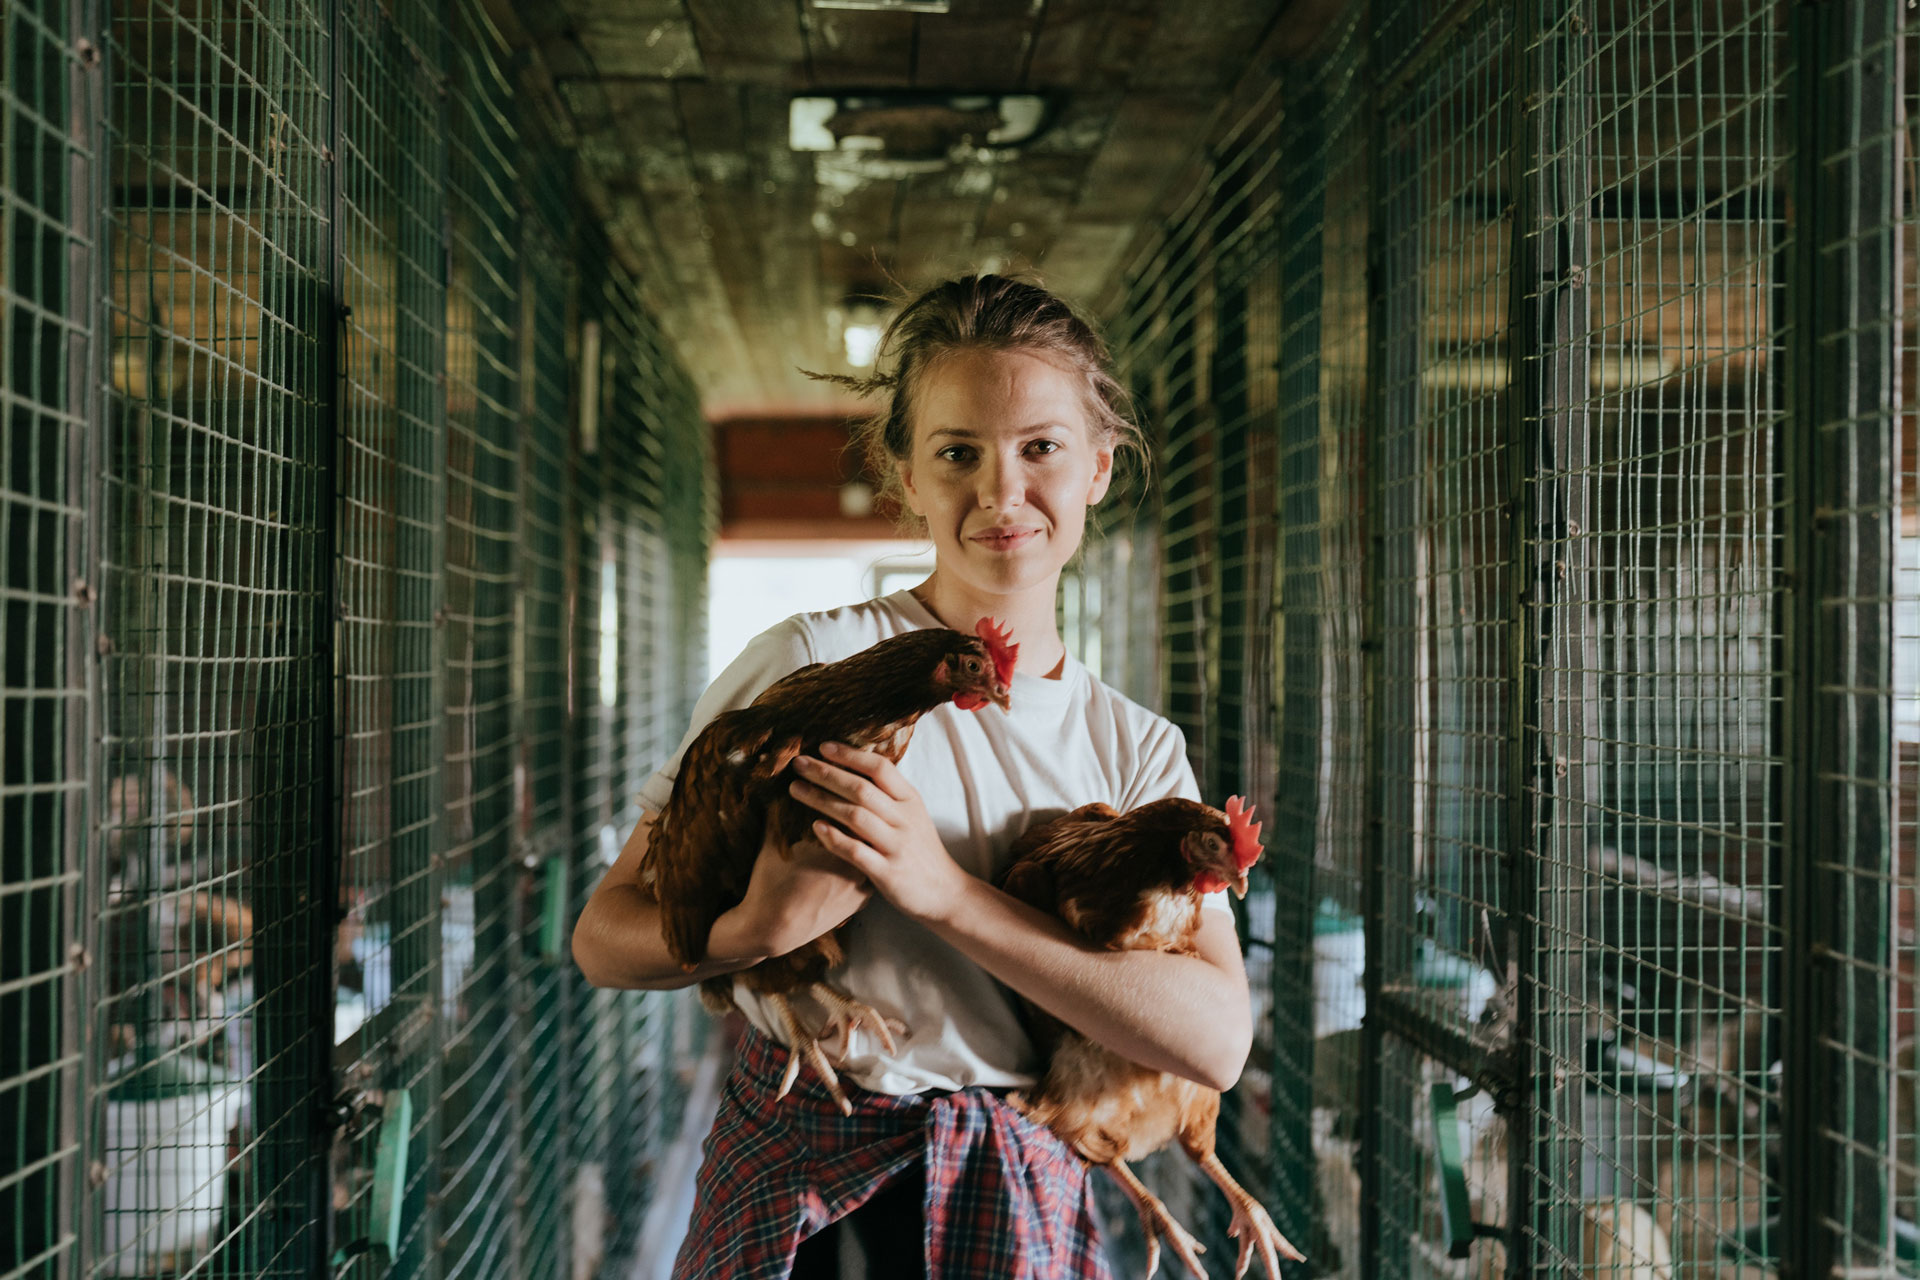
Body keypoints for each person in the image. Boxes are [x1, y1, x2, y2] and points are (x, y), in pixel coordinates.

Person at [571, 274, 1254, 1279]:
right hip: (803, 1158)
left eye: (1042, 448)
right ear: (906, 474)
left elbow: (1217, 1037)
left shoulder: (1137, 747)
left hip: (1014, 1168)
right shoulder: (811, 662)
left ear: (1100, 468)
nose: (1000, 490)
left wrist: (942, 892)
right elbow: (605, 932)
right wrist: (750, 934)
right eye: (957, 452)